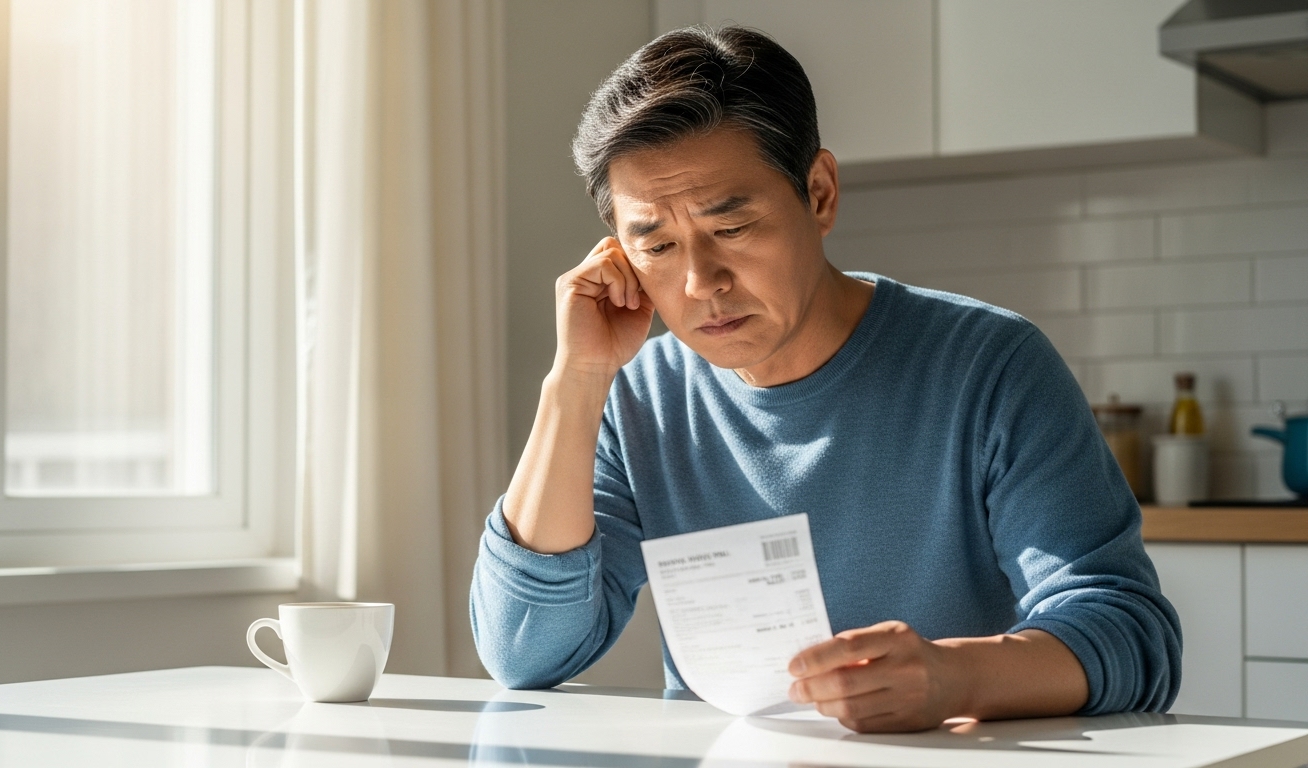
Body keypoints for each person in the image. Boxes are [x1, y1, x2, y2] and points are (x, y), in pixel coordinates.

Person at [470, 25, 1180, 733]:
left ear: (819, 193)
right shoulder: (640, 397)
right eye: (656, 244)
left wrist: (953, 678)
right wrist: (577, 380)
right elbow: (523, 652)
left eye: (733, 227)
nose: (700, 283)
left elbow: (1130, 633)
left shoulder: (990, 366)